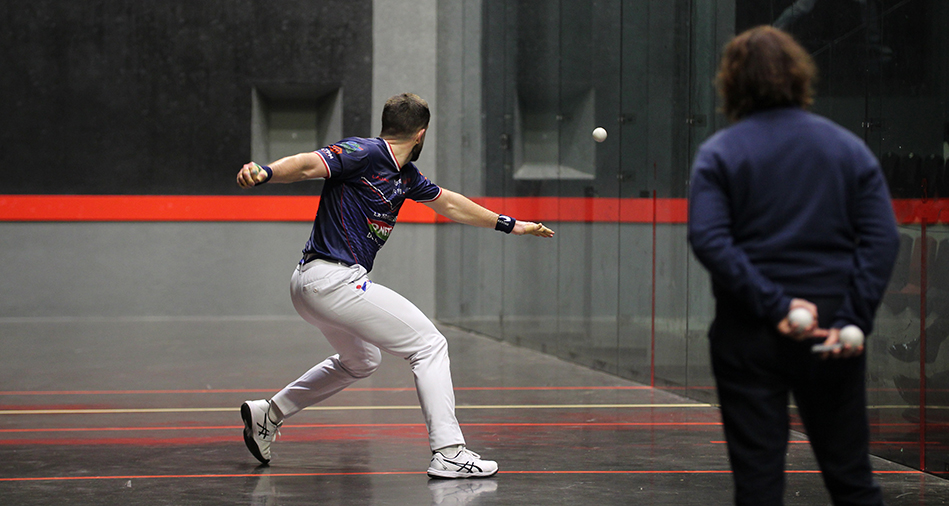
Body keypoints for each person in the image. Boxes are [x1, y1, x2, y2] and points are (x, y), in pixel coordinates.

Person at [235, 93, 554, 479]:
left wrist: (511, 224)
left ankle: (269, 413)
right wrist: (267, 171)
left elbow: (450, 204)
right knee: (430, 345)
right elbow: (308, 164)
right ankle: (449, 452)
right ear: (422, 134)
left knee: (362, 360)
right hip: (331, 280)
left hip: (312, 284)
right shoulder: (365, 153)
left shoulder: (406, 177)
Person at [688, 27, 900, 505]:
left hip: (749, 332)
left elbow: (709, 239)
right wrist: (853, 318)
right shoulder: (848, 150)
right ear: (799, 77)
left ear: (732, 84)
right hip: (832, 331)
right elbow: (883, 238)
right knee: (852, 480)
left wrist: (775, 303)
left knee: (759, 485)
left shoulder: (720, 154)